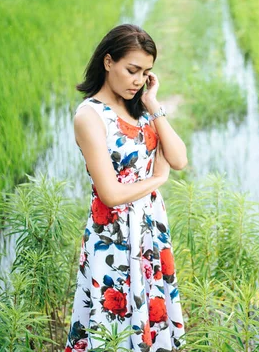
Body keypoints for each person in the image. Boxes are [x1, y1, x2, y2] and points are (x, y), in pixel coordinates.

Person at [65, 24, 187, 351]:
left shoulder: (140, 109)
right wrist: (157, 180)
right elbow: (111, 194)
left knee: (149, 315)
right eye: (132, 70)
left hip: (150, 228)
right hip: (114, 235)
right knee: (114, 329)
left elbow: (178, 158)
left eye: (145, 72)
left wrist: (152, 102)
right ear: (108, 62)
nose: (138, 80)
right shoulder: (90, 115)